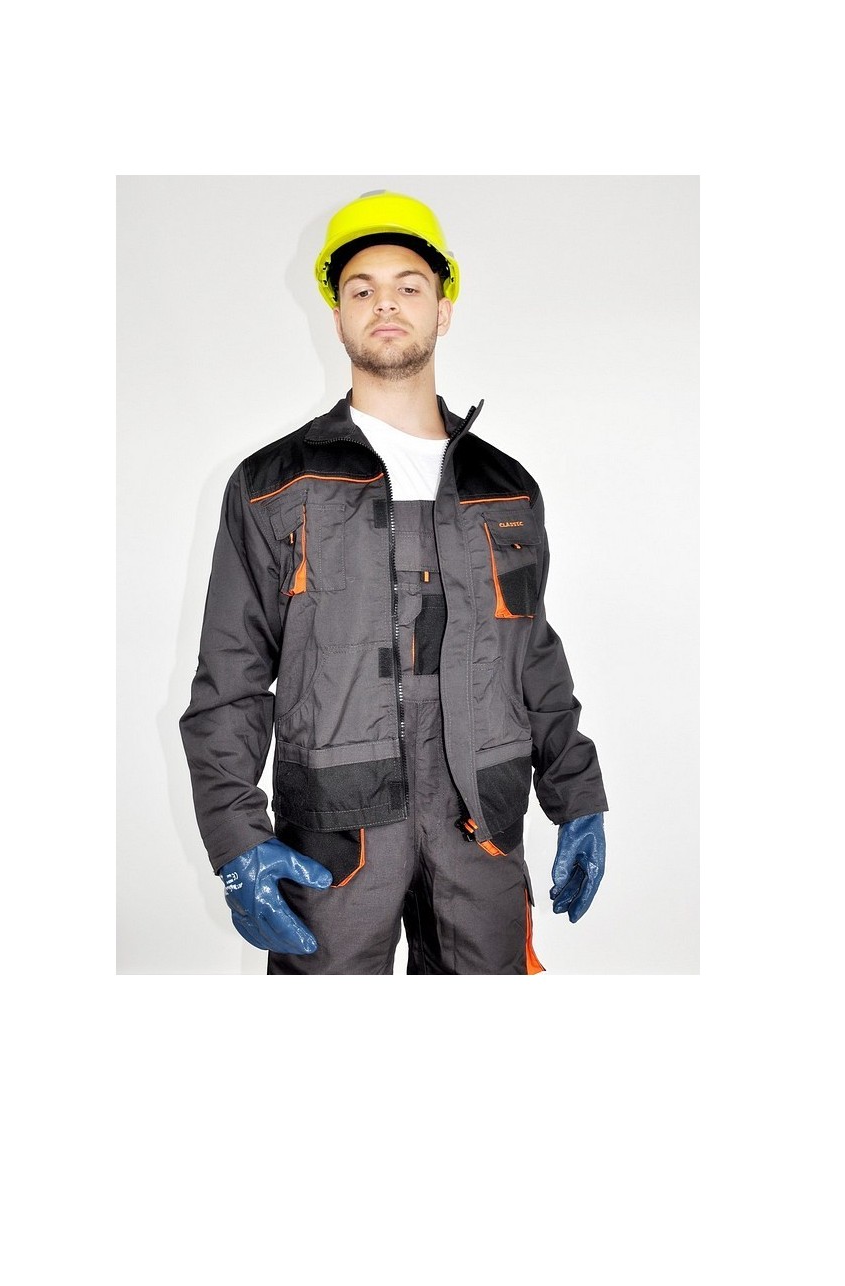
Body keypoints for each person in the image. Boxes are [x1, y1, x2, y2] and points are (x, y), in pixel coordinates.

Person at [179, 189, 609, 974]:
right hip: (336, 840)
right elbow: (229, 681)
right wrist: (236, 840)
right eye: (362, 289)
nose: (385, 303)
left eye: (409, 286)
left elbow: (535, 658)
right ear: (337, 315)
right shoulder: (275, 485)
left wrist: (578, 795)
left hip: (482, 826)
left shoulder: (503, 487)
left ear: (443, 310)